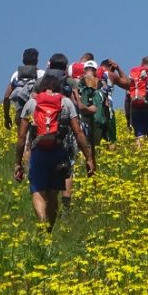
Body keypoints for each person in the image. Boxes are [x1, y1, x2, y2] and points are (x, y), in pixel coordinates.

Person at [13, 74, 95, 231]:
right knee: (53, 195)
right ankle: (48, 230)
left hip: (39, 155)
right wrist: (89, 158)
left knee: (38, 191)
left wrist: (18, 162)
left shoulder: (32, 103)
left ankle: (42, 224)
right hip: (59, 153)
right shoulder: (66, 103)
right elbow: (78, 132)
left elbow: (22, 136)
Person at [43, 53, 84, 208]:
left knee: (47, 165)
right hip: (65, 129)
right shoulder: (70, 81)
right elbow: (78, 105)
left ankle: (47, 201)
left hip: (44, 129)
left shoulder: (41, 82)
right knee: (68, 166)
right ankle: (66, 205)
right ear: (65, 67)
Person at [3, 47, 44, 130]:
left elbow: (6, 97)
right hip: (38, 113)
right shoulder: (42, 74)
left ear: (23, 60)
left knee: (21, 138)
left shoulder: (16, 75)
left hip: (20, 114)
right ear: (37, 60)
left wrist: (7, 117)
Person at [77, 60, 109, 156]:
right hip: (85, 120)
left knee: (95, 145)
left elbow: (105, 104)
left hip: (97, 121)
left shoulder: (100, 87)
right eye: (87, 69)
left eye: (91, 70)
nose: (89, 72)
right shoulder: (80, 85)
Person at [96, 58, 129, 150]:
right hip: (107, 109)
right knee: (111, 139)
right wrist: (118, 69)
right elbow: (128, 84)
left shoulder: (91, 74)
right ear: (110, 66)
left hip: (93, 109)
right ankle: (110, 156)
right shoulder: (110, 74)